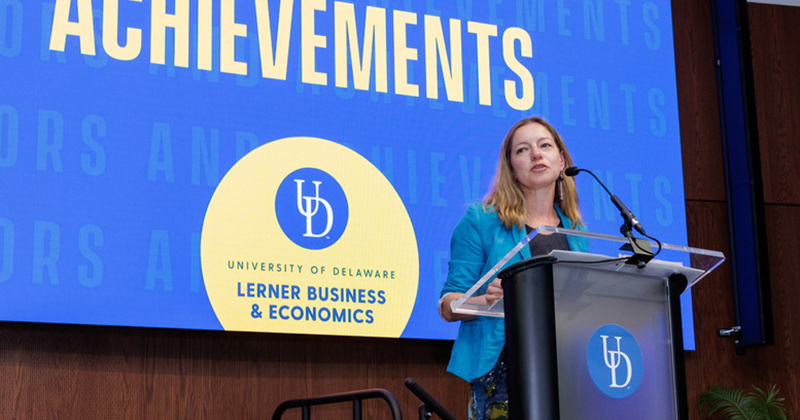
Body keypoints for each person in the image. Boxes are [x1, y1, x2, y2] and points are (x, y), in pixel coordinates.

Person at [439, 116, 588, 420]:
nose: (535, 154)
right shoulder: (480, 221)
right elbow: (447, 305)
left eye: (544, 145)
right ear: (512, 167)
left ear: (561, 162)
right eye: (522, 150)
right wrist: (487, 301)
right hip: (504, 369)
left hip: (564, 366)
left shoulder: (575, 230)